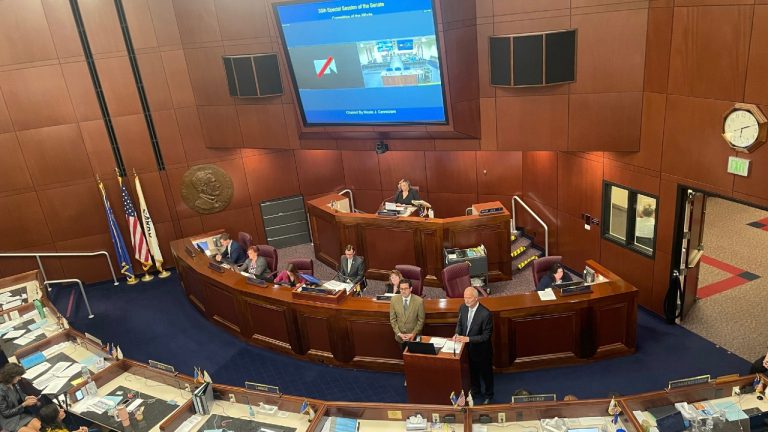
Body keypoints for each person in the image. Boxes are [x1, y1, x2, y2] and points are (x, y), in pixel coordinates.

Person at [453, 287, 494, 404]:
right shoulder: (462, 308)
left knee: (486, 375)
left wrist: (468, 339)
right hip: (467, 350)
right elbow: (460, 324)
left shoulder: (485, 314)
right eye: (465, 297)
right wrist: (457, 334)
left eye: (469, 298)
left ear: (476, 298)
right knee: (472, 373)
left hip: (482, 352)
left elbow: (486, 337)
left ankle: (489, 395)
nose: (466, 300)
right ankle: (476, 391)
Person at [0, 363, 39, 432]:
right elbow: (6, 413)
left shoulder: (14, 383)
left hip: (21, 414)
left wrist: (26, 397)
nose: (20, 378)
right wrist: (24, 404)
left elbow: (20, 394)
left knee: (40, 427)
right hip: (9, 420)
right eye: (18, 376)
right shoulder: (1, 391)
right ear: (11, 376)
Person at [389, 279, 425, 351]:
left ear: (411, 289)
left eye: (405, 288)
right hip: (400, 337)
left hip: (413, 337)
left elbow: (421, 320)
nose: (403, 291)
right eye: (401, 289)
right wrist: (399, 333)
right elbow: (392, 319)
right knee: (402, 356)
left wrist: (413, 333)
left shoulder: (419, 301)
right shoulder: (394, 299)